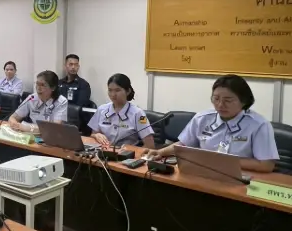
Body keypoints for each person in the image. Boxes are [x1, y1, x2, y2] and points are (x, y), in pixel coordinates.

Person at [147, 75, 279, 173]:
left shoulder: (259, 125)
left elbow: (266, 165)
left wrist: (221, 163)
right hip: (203, 174)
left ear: (244, 101)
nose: (220, 105)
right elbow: (184, 144)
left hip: (242, 177)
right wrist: (160, 152)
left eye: (228, 100)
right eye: (216, 99)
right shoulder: (202, 118)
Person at [88, 73, 155, 149]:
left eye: (117, 90)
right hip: (102, 152)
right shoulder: (101, 109)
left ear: (128, 91)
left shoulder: (138, 114)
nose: (113, 94)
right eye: (110, 90)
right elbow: (92, 135)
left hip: (126, 154)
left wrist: (133, 154)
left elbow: (150, 146)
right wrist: (96, 135)